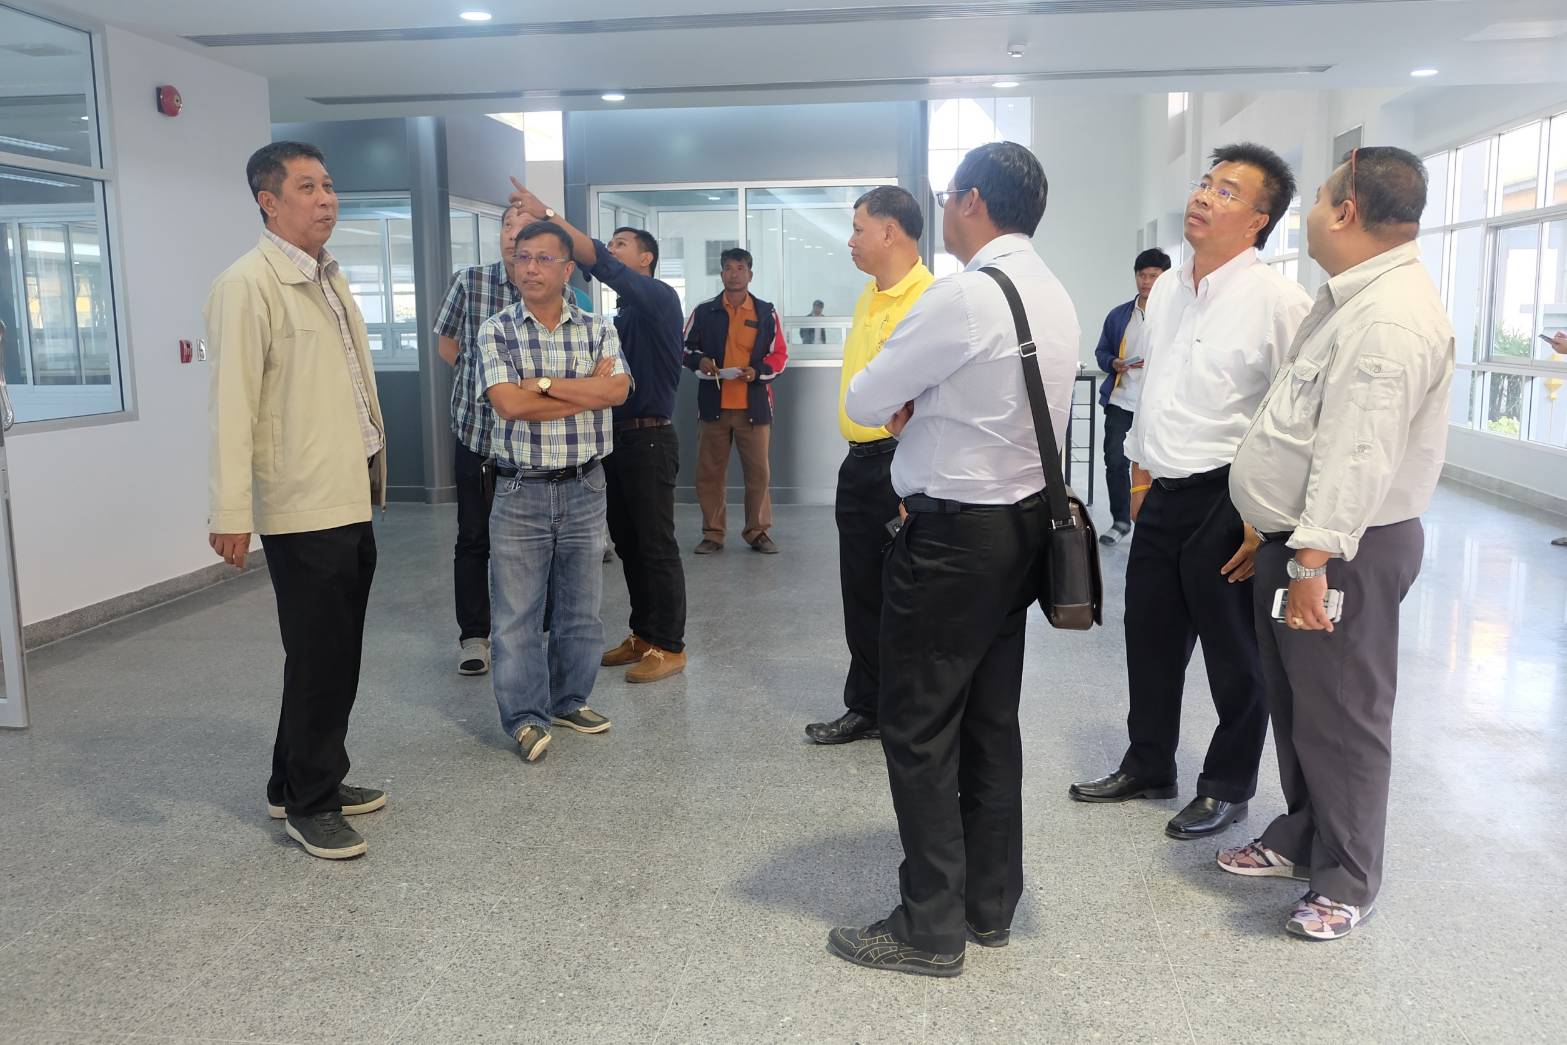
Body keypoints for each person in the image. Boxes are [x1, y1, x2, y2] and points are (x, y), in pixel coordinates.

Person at [829, 142, 1079, 976]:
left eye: (947, 196)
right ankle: (987, 903)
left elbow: (865, 395)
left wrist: (916, 406)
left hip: (950, 541)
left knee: (918, 725)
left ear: (971, 200)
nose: (943, 209)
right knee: (988, 719)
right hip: (1018, 530)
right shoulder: (1051, 292)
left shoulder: (966, 295)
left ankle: (927, 925)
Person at [1223, 147, 1454, 940]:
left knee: (1343, 713)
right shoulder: (1352, 297)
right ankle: (1305, 835)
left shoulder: (1387, 316)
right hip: (1301, 540)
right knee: (1300, 706)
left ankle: (1348, 877)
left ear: (1346, 210)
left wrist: (1311, 559)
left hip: (1341, 550)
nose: (1313, 215)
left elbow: (1359, 451)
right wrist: (1276, 532)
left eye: (1320, 201)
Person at [1069, 144, 1313, 841]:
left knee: (1234, 654)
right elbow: (1157, 389)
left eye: (1227, 191)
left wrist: (1265, 516)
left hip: (1230, 499)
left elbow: (1298, 418)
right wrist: (1141, 475)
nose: (1204, 195)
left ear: (1259, 220)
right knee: (1147, 637)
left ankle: (1227, 786)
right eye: (1206, 182)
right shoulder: (1170, 288)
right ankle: (1149, 762)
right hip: (1164, 492)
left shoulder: (1279, 302)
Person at [206, 141, 388, 861]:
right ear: (268, 201)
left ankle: (297, 780)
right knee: (320, 655)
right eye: (307, 187)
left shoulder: (327, 278)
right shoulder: (246, 285)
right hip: (302, 502)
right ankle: (311, 804)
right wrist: (230, 511)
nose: (326, 199)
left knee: (330, 653)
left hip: (346, 495)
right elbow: (232, 407)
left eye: (329, 185)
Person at [506, 181, 691, 684]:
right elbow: (598, 384)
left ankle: (670, 645)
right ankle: (644, 634)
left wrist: (549, 216)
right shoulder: (619, 317)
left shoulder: (658, 298)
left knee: (656, 545)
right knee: (629, 544)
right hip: (616, 440)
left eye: (621, 244)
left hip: (650, 440)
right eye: (611, 243)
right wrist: (590, 385)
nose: (611, 250)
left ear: (646, 258)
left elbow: (600, 265)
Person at [477, 220, 631, 762]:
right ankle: (524, 716)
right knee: (517, 614)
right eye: (523, 257)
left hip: (586, 484)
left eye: (544, 259)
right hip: (521, 488)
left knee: (581, 609)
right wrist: (586, 391)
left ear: (568, 270)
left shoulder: (597, 326)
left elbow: (617, 390)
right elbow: (509, 404)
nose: (530, 268)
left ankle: (569, 700)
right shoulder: (497, 330)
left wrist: (542, 385)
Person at [804, 186, 933, 746]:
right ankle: (867, 705)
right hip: (858, 464)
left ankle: (909, 712)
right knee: (859, 590)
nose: (851, 239)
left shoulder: (927, 300)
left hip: (901, 465)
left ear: (889, 231)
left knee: (904, 595)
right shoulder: (869, 295)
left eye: (858, 228)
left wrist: (913, 487)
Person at [434, 204, 528, 677]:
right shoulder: (470, 282)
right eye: (507, 226)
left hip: (529, 440)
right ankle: (475, 636)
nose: (513, 235)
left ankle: (527, 633)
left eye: (523, 228)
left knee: (529, 543)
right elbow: (446, 342)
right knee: (473, 538)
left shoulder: (547, 286)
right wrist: (481, 381)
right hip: (476, 434)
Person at [684, 247, 789, 554]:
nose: (734, 274)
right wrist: (700, 361)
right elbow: (684, 349)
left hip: (753, 408)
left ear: (750, 275)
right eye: (729, 268)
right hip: (713, 408)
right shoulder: (705, 311)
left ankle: (757, 532)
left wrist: (758, 372)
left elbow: (780, 355)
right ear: (721, 274)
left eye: (740, 268)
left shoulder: (765, 312)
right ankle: (713, 533)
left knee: (758, 474)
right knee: (710, 474)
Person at [1094, 248, 1172, 546]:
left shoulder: (1174, 316)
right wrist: (1113, 362)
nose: (1146, 281)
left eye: (1153, 275)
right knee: (1115, 460)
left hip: (1157, 403)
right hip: (1121, 400)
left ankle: (1153, 523)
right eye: (1142, 275)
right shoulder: (1119, 316)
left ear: (1165, 278)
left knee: (1158, 464)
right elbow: (1102, 351)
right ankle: (1120, 520)